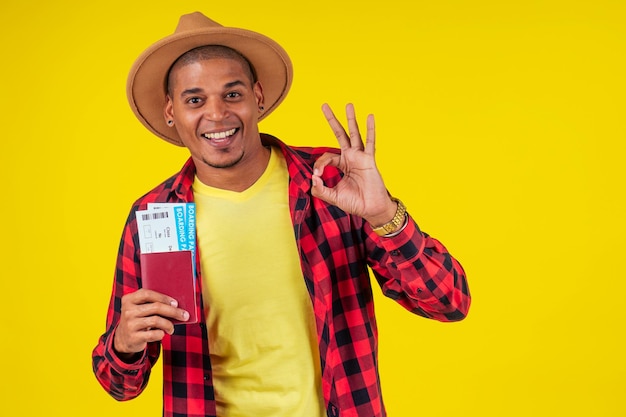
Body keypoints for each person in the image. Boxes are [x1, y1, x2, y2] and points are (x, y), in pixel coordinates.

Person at [92, 11, 470, 417]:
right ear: (171, 111)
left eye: (232, 94)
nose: (217, 114)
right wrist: (124, 344)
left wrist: (383, 215)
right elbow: (119, 386)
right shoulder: (155, 217)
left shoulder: (331, 186)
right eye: (195, 99)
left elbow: (449, 303)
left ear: (258, 96)